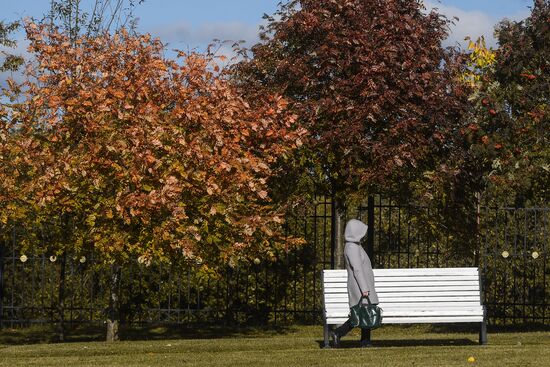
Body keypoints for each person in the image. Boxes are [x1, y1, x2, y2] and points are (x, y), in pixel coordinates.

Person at [331, 219, 379, 348]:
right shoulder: (352, 247)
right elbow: (357, 269)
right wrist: (364, 288)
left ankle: (365, 341)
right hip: (360, 287)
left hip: (363, 285)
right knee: (359, 314)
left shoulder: (355, 246)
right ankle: (338, 333)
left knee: (366, 312)